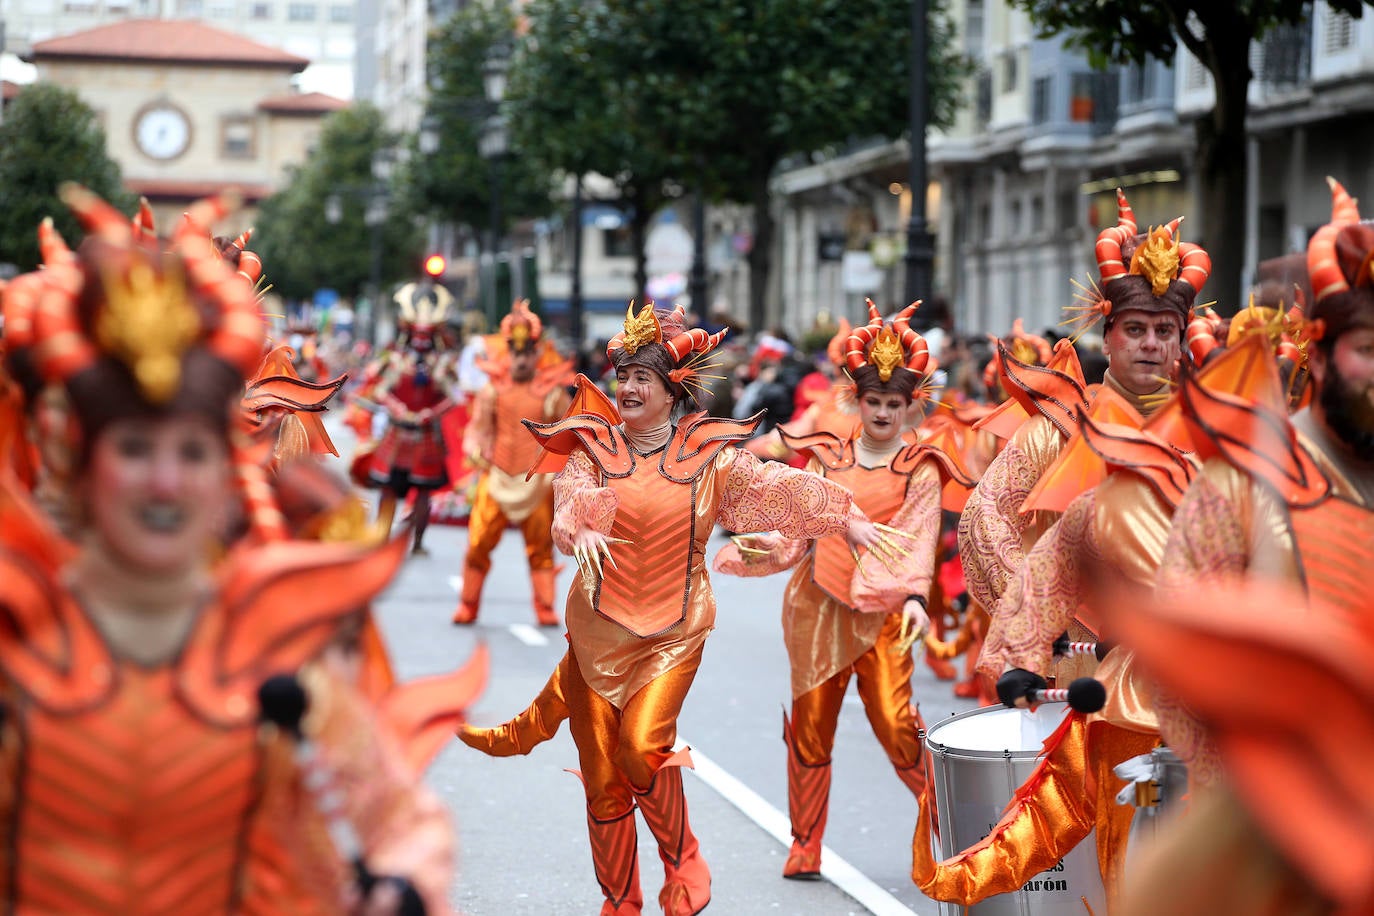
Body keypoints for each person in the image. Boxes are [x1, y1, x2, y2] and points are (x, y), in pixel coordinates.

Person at [0, 185, 454, 913]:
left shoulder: (274, 657)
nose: (166, 481)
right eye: (136, 449)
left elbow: (399, 820)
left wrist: (398, 885)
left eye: (192, 452)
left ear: (228, 470)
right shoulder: (15, 638)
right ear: (81, 466)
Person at [458, 301, 900, 916]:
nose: (630, 387)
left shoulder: (709, 458)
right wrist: (581, 529)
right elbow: (571, 497)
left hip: (673, 631)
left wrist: (843, 517)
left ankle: (682, 857)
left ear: (671, 391)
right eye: (625, 375)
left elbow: (774, 487)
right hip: (594, 631)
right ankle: (621, 902)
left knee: (642, 748)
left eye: (644, 377)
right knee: (604, 781)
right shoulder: (593, 449)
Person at [713, 302, 974, 879]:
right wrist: (757, 547)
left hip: (883, 611)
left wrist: (910, 598)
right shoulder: (828, 455)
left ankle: (948, 828)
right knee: (811, 722)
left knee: (897, 723)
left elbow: (917, 536)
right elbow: (797, 524)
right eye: (874, 402)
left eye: (894, 404)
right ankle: (805, 842)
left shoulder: (920, 467)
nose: (882, 413)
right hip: (817, 603)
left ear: (910, 407)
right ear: (858, 401)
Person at [454, 299, 572, 626]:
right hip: (496, 475)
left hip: (537, 481)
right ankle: (468, 604)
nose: (520, 359)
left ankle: (545, 608)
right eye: (515, 353)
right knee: (478, 543)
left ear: (537, 354)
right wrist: (475, 448)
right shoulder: (492, 390)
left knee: (540, 549)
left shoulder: (552, 393)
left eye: (526, 353)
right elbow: (478, 428)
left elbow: (566, 434)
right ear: (508, 354)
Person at [364, 281, 461, 555]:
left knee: (423, 492)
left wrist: (431, 412)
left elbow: (453, 396)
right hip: (397, 432)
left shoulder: (441, 365)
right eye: (417, 334)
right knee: (388, 489)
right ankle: (381, 536)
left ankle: (417, 542)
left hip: (426, 434)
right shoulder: (396, 360)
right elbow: (380, 390)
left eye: (426, 335)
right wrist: (398, 409)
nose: (421, 340)